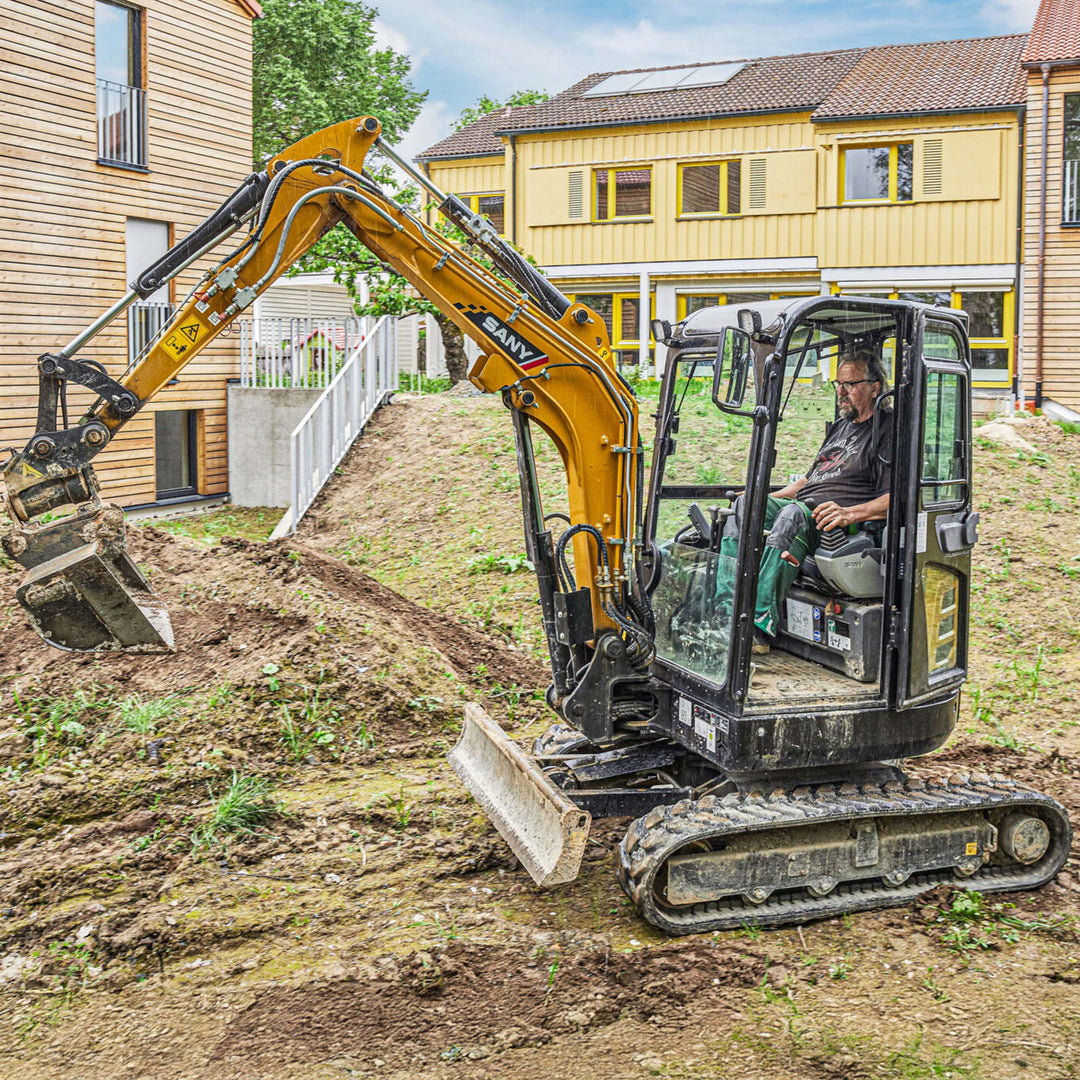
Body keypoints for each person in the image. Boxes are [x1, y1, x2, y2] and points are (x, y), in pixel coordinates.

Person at [720, 348, 894, 653]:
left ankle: (758, 627)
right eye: (838, 384)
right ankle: (725, 612)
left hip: (838, 523)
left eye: (849, 385)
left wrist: (850, 514)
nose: (841, 392)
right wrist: (765, 496)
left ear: (875, 387)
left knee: (792, 516)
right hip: (804, 506)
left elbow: (898, 496)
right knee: (744, 508)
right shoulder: (842, 425)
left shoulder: (887, 430)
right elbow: (811, 479)